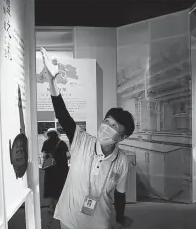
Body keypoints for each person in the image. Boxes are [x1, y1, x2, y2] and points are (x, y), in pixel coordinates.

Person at [41, 48, 134, 229]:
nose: (106, 127)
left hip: (99, 222)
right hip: (69, 219)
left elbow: (120, 195)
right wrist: (53, 82)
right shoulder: (82, 141)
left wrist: (120, 218)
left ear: (122, 137)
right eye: (106, 121)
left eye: (114, 126)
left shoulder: (121, 162)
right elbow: (62, 114)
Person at [41, 128, 69, 228]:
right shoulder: (62, 143)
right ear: (57, 135)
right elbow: (68, 155)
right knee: (60, 188)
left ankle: (51, 207)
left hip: (50, 170)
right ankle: (59, 208)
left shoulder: (46, 143)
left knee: (50, 187)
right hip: (62, 170)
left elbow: (44, 156)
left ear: (48, 135)